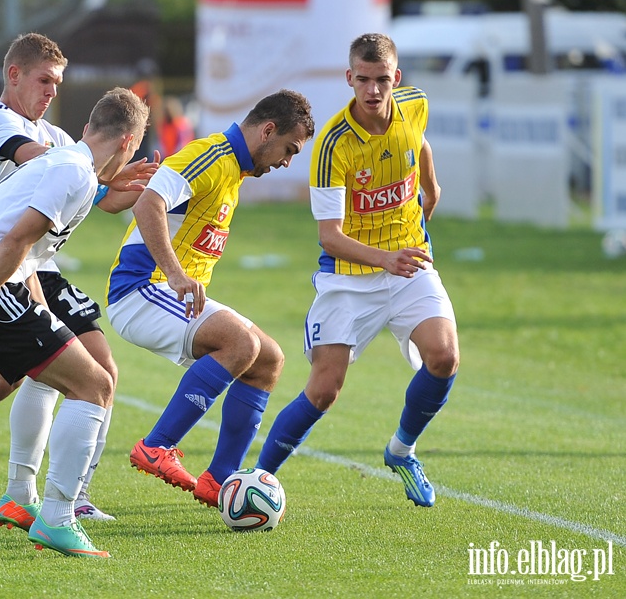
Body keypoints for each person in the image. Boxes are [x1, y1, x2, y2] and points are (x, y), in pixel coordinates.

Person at [0, 33, 157, 525]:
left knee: (96, 370)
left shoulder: (65, 140)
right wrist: (105, 166)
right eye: (44, 80)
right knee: (1, 382)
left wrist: (133, 185)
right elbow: (41, 165)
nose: (51, 92)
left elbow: (94, 193)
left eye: (58, 83)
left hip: (36, 263)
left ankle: (68, 495)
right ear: (14, 75)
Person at [255, 33, 460, 508]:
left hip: (409, 265)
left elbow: (419, 143)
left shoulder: (415, 105)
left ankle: (402, 451)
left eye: (382, 80)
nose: (372, 90)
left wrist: (430, 189)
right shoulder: (332, 145)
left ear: (397, 79)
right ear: (349, 78)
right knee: (325, 390)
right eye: (363, 80)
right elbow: (329, 235)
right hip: (349, 277)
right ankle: (256, 480)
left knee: (444, 357)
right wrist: (386, 258)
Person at [106, 89, 315, 507]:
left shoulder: (233, 172)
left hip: (172, 295)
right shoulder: (210, 156)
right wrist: (177, 275)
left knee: (268, 359)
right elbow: (149, 205)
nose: (287, 162)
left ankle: (218, 480)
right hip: (139, 290)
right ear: (267, 130)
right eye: (288, 150)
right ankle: (157, 446)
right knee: (242, 343)